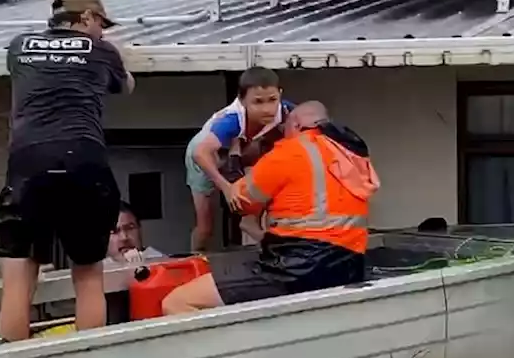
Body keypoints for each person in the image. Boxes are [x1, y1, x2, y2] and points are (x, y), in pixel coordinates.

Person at [0, 0, 135, 341]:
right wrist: (120, 56)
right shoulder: (102, 51)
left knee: (19, 275)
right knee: (87, 275)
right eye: (101, 22)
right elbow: (126, 86)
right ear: (86, 17)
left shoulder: (19, 45)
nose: (103, 31)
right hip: (82, 159)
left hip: (28, 162)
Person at [162, 101, 378, 314]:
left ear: (294, 124)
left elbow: (240, 202)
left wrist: (234, 157)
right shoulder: (351, 154)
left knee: (177, 303)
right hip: (349, 267)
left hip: (295, 269)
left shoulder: (289, 152)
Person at [185, 67, 293, 252]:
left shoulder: (286, 111)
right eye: (258, 102)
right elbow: (200, 153)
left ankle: (253, 226)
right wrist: (227, 188)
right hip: (206, 157)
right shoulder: (232, 119)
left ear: (280, 94)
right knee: (205, 227)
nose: (267, 109)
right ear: (243, 100)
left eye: (272, 100)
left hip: (238, 152)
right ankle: (194, 260)